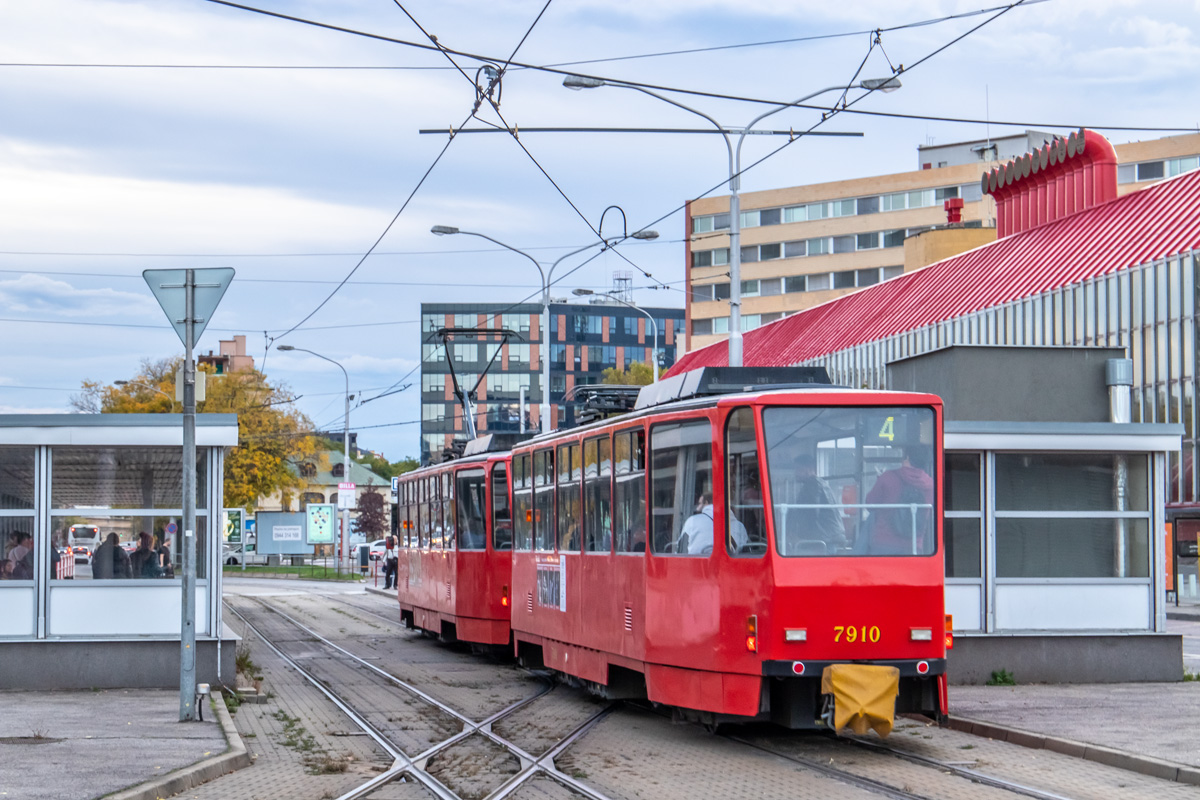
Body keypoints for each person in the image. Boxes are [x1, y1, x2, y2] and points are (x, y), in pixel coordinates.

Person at [864, 447, 935, 555]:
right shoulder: (931, 485)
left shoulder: (887, 477)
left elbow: (870, 504)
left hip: (884, 542)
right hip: (914, 545)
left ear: (907, 457)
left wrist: (879, 479)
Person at [787, 455, 846, 551]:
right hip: (830, 534)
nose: (795, 473)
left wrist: (798, 534)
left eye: (798, 469)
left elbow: (810, 513)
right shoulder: (818, 483)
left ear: (809, 469)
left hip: (824, 538)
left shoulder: (812, 485)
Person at [680, 493, 748, 555]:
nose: (697, 508)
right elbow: (744, 548)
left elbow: (681, 548)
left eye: (700, 503)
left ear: (706, 503)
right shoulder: (740, 526)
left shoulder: (693, 521)